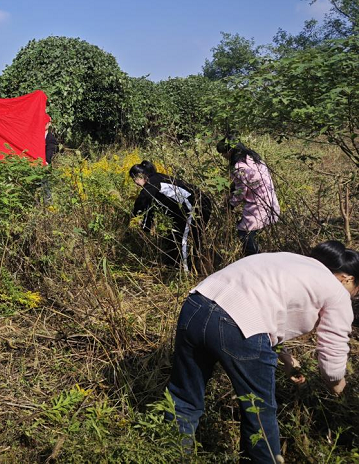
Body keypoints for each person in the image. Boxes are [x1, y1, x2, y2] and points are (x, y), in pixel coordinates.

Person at [166, 241, 358, 462]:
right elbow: (332, 361)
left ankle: (172, 455)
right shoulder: (337, 292)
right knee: (259, 412)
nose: (352, 297)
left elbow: (263, 300)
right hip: (239, 326)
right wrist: (343, 396)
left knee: (184, 397)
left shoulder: (292, 259)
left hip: (197, 304)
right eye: (356, 292)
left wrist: (284, 356)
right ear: (348, 279)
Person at [129, 161, 211, 273]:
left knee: (185, 240)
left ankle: (188, 273)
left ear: (140, 175)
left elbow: (143, 200)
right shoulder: (156, 180)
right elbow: (150, 206)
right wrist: (146, 226)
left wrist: (134, 216)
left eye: (134, 179)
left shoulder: (153, 182)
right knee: (174, 237)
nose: (135, 183)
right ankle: (175, 267)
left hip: (197, 207)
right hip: (189, 210)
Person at [216, 136, 279, 255]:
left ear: (230, 151)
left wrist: (230, 205)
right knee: (253, 233)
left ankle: (255, 259)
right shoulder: (254, 158)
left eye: (223, 153)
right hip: (270, 201)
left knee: (243, 233)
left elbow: (241, 192)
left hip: (258, 206)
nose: (223, 156)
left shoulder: (239, 167)